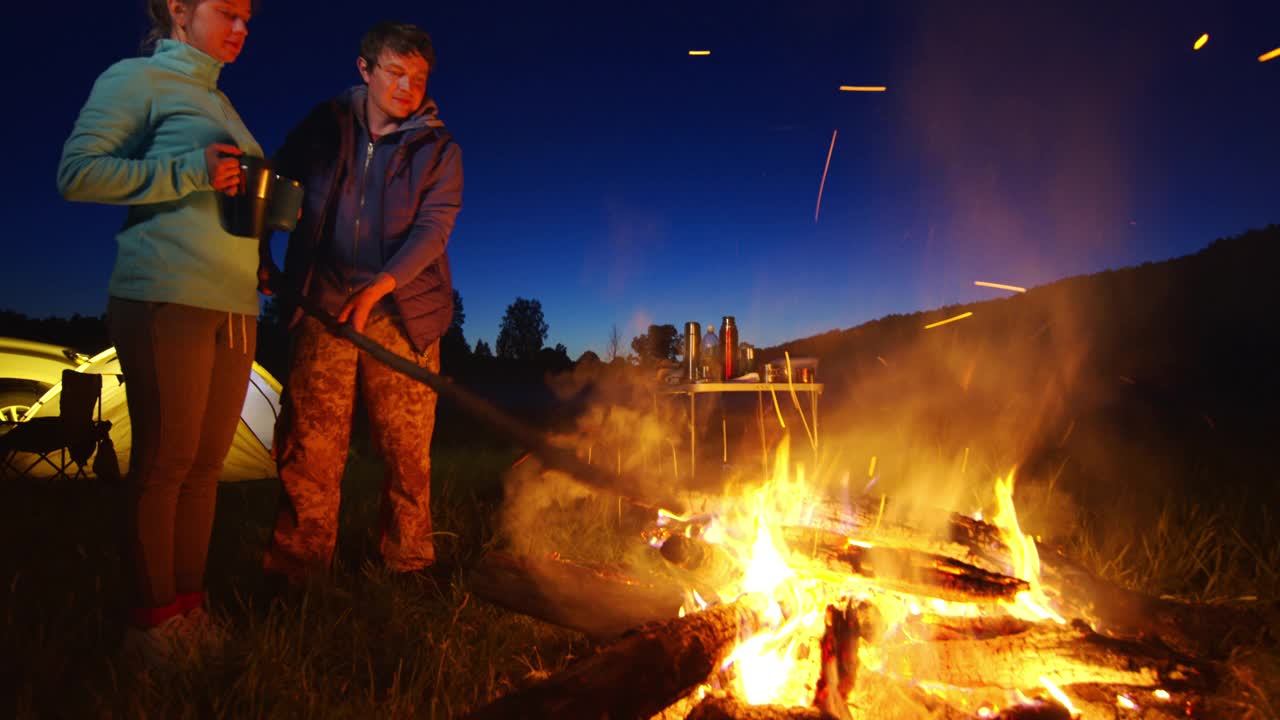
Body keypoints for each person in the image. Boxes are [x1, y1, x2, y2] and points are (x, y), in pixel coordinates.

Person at [56, 0, 262, 663]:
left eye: (248, 19)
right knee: (166, 465)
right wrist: (189, 172)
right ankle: (149, 631)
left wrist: (256, 251)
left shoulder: (223, 105)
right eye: (228, 12)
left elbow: (219, 199)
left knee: (204, 470)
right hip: (165, 293)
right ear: (179, 10)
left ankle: (187, 614)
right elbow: (78, 174)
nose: (241, 28)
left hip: (233, 305)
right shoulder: (136, 79)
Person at [261, 21, 463, 583]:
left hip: (403, 313)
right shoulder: (324, 127)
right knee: (311, 446)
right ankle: (297, 571)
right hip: (322, 303)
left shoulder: (439, 149)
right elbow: (279, 183)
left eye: (418, 77)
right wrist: (262, 249)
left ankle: (408, 565)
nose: (406, 87)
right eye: (395, 72)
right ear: (365, 69)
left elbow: (433, 229)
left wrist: (380, 284)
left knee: (406, 452)